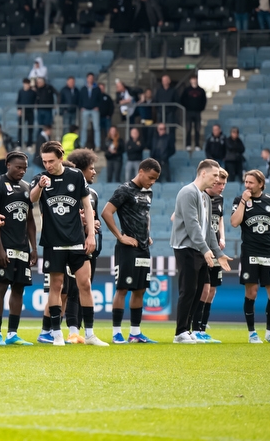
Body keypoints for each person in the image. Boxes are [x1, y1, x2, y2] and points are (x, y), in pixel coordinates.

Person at [29, 141, 105, 346]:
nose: (48, 165)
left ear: (61, 158)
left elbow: (87, 207)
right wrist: (39, 186)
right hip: (53, 243)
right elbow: (32, 198)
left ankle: (89, 334)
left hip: (77, 241)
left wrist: (90, 235)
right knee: (56, 286)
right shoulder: (40, 178)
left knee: (85, 284)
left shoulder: (76, 176)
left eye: (51, 161)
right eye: (44, 161)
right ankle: (56, 334)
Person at [169, 159, 231, 344]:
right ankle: (180, 332)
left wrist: (218, 254)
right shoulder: (188, 192)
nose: (217, 179)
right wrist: (206, 250)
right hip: (186, 248)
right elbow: (192, 225)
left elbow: (208, 228)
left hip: (199, 249)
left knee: (199, 291)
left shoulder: (204, 196)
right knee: (188, 290)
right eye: (214, 175)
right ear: (203, 173)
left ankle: (189, 330)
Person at [101, 158, 161, 344]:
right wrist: (120, 236)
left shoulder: (148, 192)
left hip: (143, 247)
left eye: (155, 179)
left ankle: (135, 333)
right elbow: (106, 212)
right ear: (141, 171)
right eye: (150, 177)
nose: (152, 181)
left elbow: (146, 214)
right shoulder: (124, 190)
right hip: (127, 248)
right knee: (122, 289)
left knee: (141, 290)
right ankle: (116, 333)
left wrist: (147, 234)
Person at [231, 169, 270, 344]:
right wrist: (243, 202)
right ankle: (252, 333)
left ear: (261, 184)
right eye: (246, 182)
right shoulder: (239, 200)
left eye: (251, 182)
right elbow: (234, 223)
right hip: (250, 253)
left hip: (267, 253)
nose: (247, 185)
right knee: (252, 292)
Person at [0, 151, 37, 346]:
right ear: (8, 164)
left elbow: (30, 221)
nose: (22, 171)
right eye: (18, 167)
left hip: (22, 247)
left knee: (19, 289)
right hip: (5, 246)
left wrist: (33, 248)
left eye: (24, 168)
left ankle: (12, 334)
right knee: (1, 286)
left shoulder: (26, 188)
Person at [190, 168, 229, 342]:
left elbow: (219, 219)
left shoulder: (220, 200)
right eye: (218, 183)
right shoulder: (198, 196)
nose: (221, 187)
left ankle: (202, 328)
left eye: (223, 184)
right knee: (201, 289)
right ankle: (194, 326)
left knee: (211, 290)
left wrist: (223, 237)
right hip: (201, 249)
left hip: (215, 248)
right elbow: (177, 217)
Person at [179, 78, 206, 151]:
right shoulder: (186, 90)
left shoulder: (201, 90)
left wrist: (200, 108)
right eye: (192, 79)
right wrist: (187, 107)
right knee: (188, 129)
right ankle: (188, 144)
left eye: (195, 79)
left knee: (197, 129)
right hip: (189, 112)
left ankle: (197, 144)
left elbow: (204, 101)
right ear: (190, 81)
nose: (194, 81)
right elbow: (182, 100)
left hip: (197, 112)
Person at [78, 73, 102, 150]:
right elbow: (80, 99)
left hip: (94, 110)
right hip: (85, 110)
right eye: (89, 78)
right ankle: (82, 144)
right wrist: (81, 107)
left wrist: (98, 106)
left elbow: (100, 99)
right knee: (84, 128)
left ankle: (97, 145)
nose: (91, 79)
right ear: (87, 78)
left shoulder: (97, 89)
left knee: (96, 128)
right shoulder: (83, 88)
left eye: (92, 78)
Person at [16, 78, 37, 149]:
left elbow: (35, 100)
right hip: (22, 112)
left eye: (27, 84)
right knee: (20, 129)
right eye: (25, 84)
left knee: (30, 129)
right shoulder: (21, 91)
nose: (26, 85)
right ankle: (19, 144)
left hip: (30, 112)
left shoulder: (33, 92)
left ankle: (29, 144)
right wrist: (19, 109)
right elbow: (18, 101)